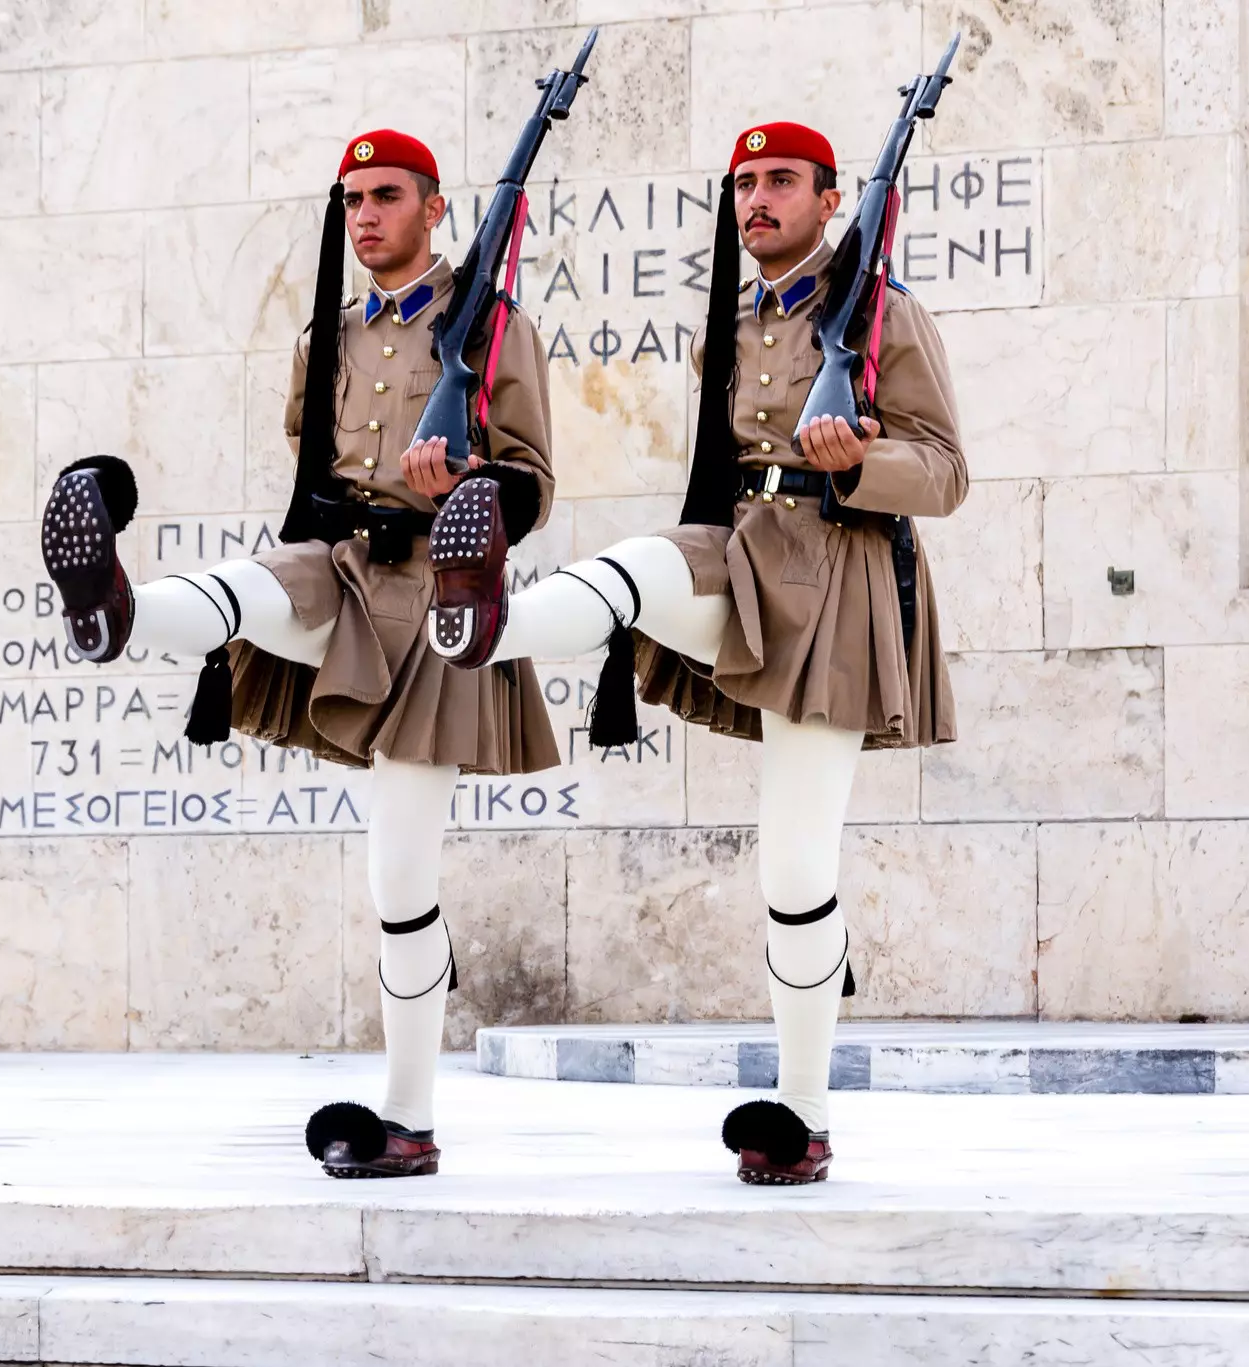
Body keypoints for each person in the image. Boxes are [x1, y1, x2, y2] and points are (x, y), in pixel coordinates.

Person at [424, 121, 966, 1184]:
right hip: (738, 549)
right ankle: (491, 620)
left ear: (828, 196)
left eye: (779, 183)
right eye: (745, 184)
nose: (756, 200)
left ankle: (802, 1114)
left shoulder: (884, 314)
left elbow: (945, 473)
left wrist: (861, 460)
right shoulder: (731, 319)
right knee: (636, 568)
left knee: (795, 866)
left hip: (834, 585)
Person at [40, 129, 557, 1179]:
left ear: (433, 206)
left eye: (386, 197)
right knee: (245, 588)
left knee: (400, 879)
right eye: (352, 200)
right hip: (336, 562)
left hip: (430, 597)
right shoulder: (326, 334)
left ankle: (407, 1114)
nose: (365, 216)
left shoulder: (493, 327)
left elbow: (533, 487)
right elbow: (311, 466)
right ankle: (119, 606)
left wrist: (459, 485)